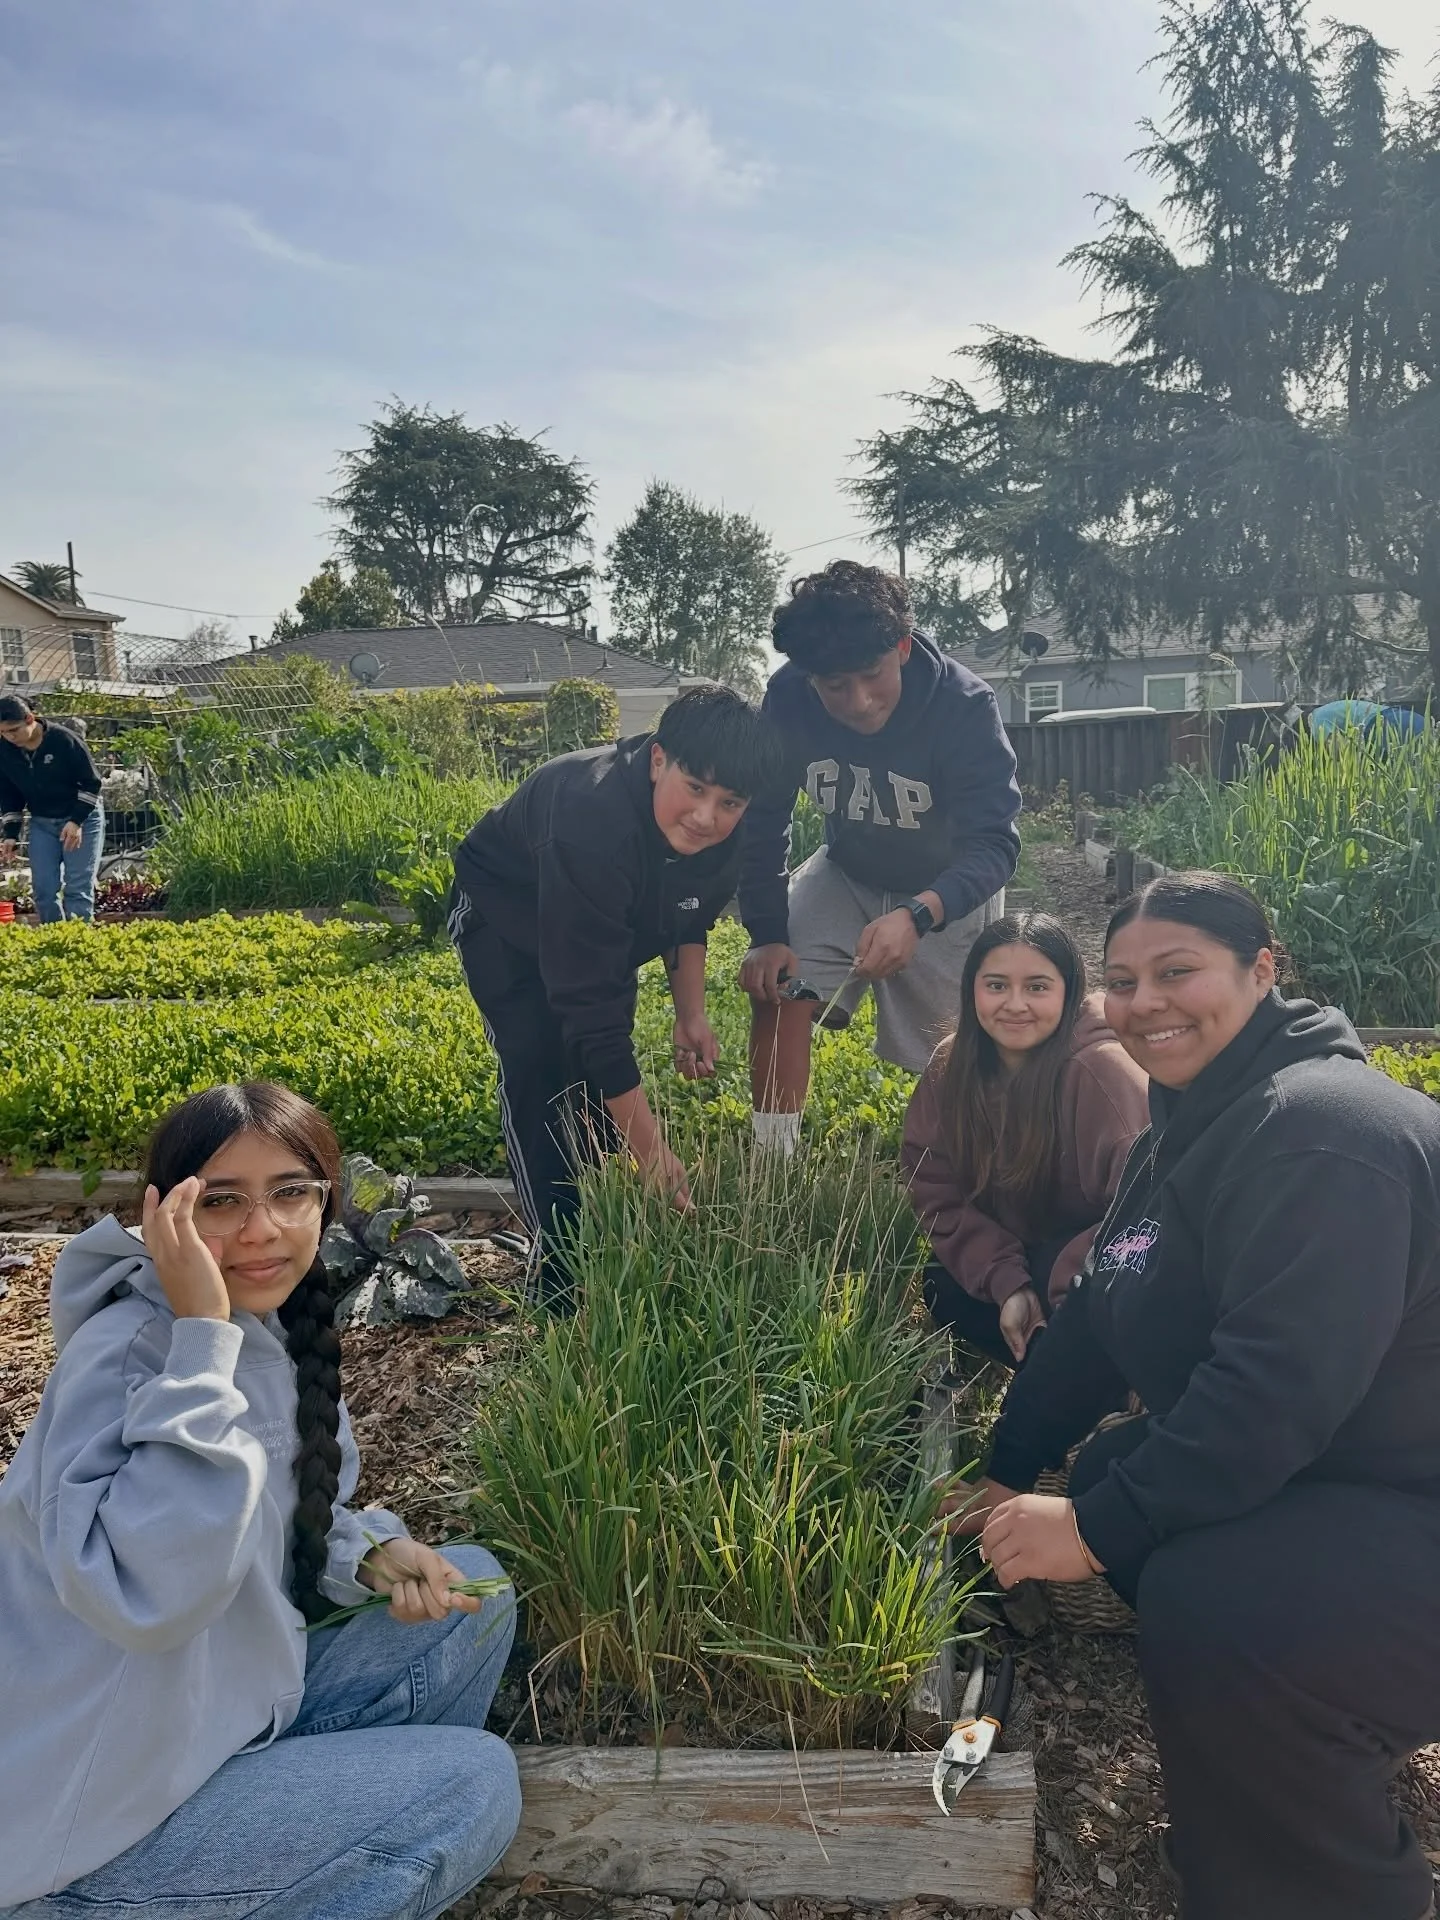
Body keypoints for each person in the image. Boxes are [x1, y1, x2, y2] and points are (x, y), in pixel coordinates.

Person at [958, 873, 1440, 1920]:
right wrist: (1005, 1470)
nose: (1146, 1004)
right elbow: (1093, 1323)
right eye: (1124, 982)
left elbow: (1272, 1391)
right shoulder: (1178, 1135)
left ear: (1263, 970)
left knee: (1218, 1603)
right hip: (1358, 1482)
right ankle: (1287, 1747)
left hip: (1414, 1510)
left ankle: (1316, 1885)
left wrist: (1089, 1533)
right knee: (1118, 1468)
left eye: (1179, 973)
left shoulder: (1324, 1129)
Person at [0, 1082, 521, 1920]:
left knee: (472, 1597)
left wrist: (366, 1553)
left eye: (290, 1194)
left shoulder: (272, 1330)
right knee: (470, 1782)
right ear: (165, 1214)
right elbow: (149, 1595)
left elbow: (271, 1511)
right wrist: (201, 1339)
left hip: (206, 1722)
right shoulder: (130, 1350)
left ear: (326, 1203)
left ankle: (326, 1873)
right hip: (82, 1821)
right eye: (223, 1201)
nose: (260, 1229)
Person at [449, 684, 781, 1303]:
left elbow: (690, 915)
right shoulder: (589, 820)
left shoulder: (730, 830)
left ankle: (608, 1219)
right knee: (544, 1070)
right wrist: (653, 1151)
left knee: (599, 1084)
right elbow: (590, 1013)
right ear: (659, 761)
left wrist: (692, 1014)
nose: (707, 816)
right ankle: (561, 1274)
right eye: (695, 788)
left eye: (729, 801)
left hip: (604, 920)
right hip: (508, 917)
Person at [736, 561, 1021, 1157]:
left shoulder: (964, 706)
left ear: (902, 646)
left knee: (959, 1047)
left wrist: (918, 915)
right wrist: (765, 932)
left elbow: (994, 845)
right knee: (779, 987)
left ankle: (964, 1164)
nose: (859, 703)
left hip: (946, 889)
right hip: (848, 869)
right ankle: (772, 1164)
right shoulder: (788, 696)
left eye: (872, 676)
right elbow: (763, 818)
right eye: (834, 686)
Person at [901, 912, 1148, 1365]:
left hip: (1097, 1269)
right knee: (945, 1286)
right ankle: (1046, 1360)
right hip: (1019, 1255)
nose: (1015, 1004)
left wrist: (1064, 1289)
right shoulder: (951, 1067)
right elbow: (935, 1186)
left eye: (1037, 987)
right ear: (971, 989)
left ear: (1068, 991)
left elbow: (1149, 1217)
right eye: (996, 985)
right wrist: (1008, 1281)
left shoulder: (1103, 1075)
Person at [0, 693, 105, 923]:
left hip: (81, 818)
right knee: (44, 889)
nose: (9, 737)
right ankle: (54, 940)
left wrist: (76, 821)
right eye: (3, 732)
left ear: (30, 719)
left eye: (14, 730)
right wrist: (10, 835)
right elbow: (9, 794)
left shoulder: (64, 740)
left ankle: (80, 944)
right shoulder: (5, 750)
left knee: (77, 887)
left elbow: (92, 782)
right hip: (43, 822)